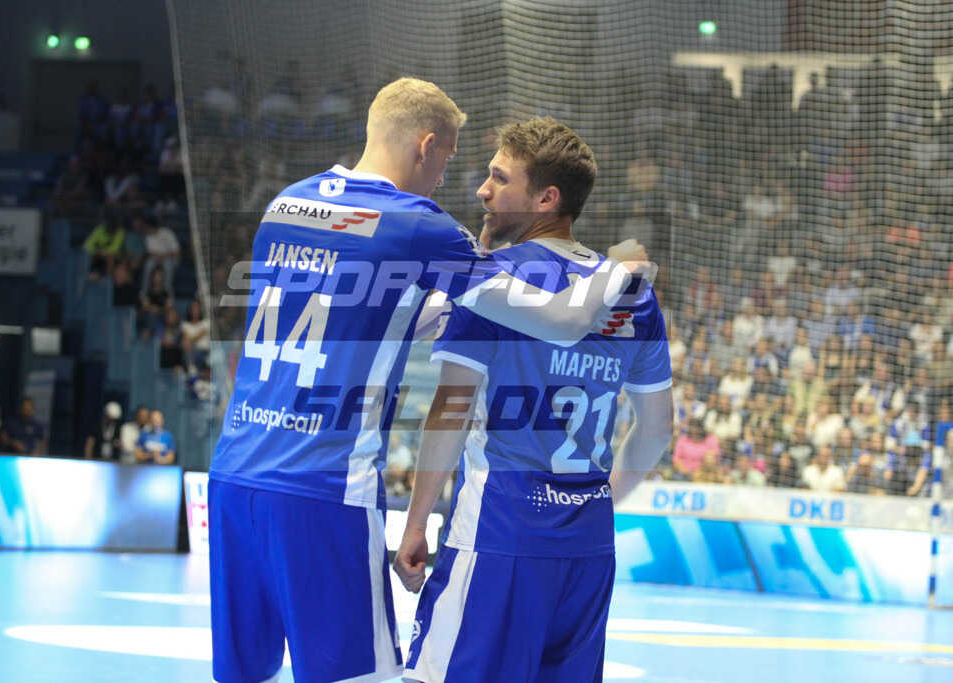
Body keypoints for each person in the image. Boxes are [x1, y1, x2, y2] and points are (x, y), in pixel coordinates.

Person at [207, 79, 649, 683]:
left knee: (242, 672)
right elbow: (565, 320)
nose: (455, 181)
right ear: (426, 145)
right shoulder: (418, 223)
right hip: (322, 486)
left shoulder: (287, 202)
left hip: (234, 473)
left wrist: (469, 295)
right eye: (449, 159)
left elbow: (375, 316)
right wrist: (620, 266)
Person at [394, 117, 673, 682]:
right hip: (589, 548)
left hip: (500, 532)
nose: (482, 190)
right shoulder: (632, 292)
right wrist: (600, 499)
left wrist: (416, 522)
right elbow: (656, 430)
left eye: (499, 178)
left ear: (546, 197)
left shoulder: (490, 280)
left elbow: (449, 408)